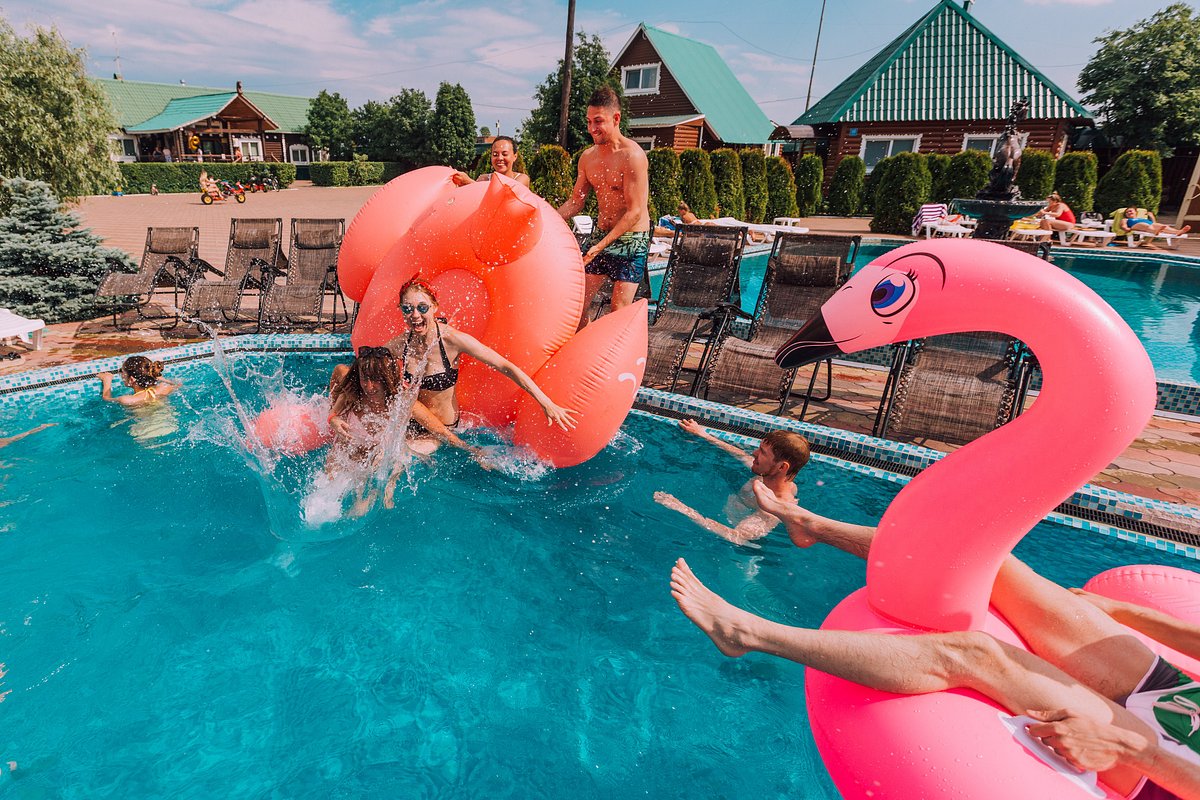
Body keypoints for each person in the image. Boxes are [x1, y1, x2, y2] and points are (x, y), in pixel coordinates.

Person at [671, 483, 1200, 799]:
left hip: (1174, 770)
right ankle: (810, 524)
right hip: (1185, 700)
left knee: (975, 653)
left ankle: (745, 633)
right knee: (992, 565)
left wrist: (1130, 751)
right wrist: (1122, 612)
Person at [386, 277, 577, 432]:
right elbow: (370, 365)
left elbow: (505, 366)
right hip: (412, 426)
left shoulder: (452, 340)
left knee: (400, 461)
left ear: (434, 307)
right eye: (407, 309)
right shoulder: (401, 344)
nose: (415, 315)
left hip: (445, 432)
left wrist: (546, 403)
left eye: (422, 307)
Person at [328, 346, 489, 510]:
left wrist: (473, 451)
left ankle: (385, 493)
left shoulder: (403, 403)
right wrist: (332, 416)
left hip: (381, 454)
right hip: (350, 451)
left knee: (386, 460)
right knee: (329, 490)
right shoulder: (353, 392)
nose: (369, 387)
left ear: (386, 377)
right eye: (365, 379)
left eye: (376, 379)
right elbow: (338, 370)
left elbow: (441, 432)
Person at [556, 85, 651, 329]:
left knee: (618, 310)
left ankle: (616, 352)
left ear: (616, 118)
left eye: (598, 121)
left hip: (632, 240)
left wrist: (599, 246)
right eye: (589, 122)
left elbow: (635, 212)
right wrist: (550, 219)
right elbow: (576, 201)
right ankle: (586, 348)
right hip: (601, 235)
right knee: (577, 305)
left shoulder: (633, 156)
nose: (592, 128)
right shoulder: (588, 157)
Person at [654, 420, 809, 545]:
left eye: (762, 452)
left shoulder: (776, 507)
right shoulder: (769, 475)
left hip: (738, 555)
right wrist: (703, 434)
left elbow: (737, 537)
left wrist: (681, 508)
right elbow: (741, 455)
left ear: (782, 467)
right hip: (727, 514)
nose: (754, 453)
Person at [98, 356, 180, 408]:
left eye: (121, 371)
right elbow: (178, 384)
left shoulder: (127, 400)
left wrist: (107, 380)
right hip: (170, 426)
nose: (121, 374)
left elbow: (106, 399)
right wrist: (157, 377)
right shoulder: (163, 388)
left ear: (131, 379)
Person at [451, 136, 530, 188]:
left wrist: (469, 183)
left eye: (505, 154)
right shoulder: (484, 178)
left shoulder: (521, 179)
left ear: (515, 156)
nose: (500, 158)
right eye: (495, 154)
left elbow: (507, 194)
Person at [1118, 207, 1191, 244]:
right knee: (1144, 224)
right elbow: (1123, 225)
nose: (1129, 212)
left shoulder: (1142, 218)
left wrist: (1152, 216)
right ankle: (1154, 231)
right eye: (1127, 212)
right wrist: (1126, 228)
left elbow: (1154, 223)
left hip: (1150, 226)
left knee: (1161, 226)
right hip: (1135, 226)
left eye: (1130, 211)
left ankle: (1178, 232)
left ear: (1135, 212)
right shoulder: (1126, 219)